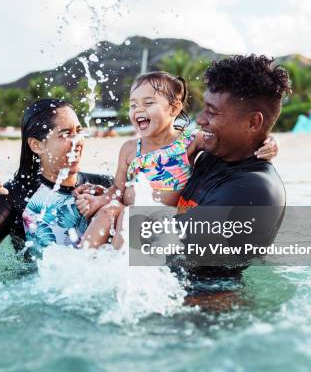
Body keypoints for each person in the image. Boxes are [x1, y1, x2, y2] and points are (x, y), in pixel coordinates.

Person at [75, 71, 278, 249]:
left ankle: (121, 269)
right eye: (133, 104)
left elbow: (237, 136)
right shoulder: (129, 149)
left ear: (173, 109)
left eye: (148, 103)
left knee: (129, 218)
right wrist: (100, 199)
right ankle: (83, 263)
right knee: (107, 212)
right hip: (128, 210)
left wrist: (268, 141)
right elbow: (117, 189)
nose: (138, 110)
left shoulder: (188, 140)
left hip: (163, 219)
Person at [173, 54, 289, 276]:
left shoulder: (254, 190)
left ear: (253, 122)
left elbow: (158, 242)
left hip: (206, 305)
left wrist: (112, 211)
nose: (200, 119)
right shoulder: (213, 154)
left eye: (212, 112)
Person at [0, 99, 112, 262]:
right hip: (33, 285)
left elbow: (140, 252)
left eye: (78, 131)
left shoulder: (106, 186)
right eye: (65, 134)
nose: (77, 141)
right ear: (37, 145)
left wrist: (115, 205)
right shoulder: (16, 195)